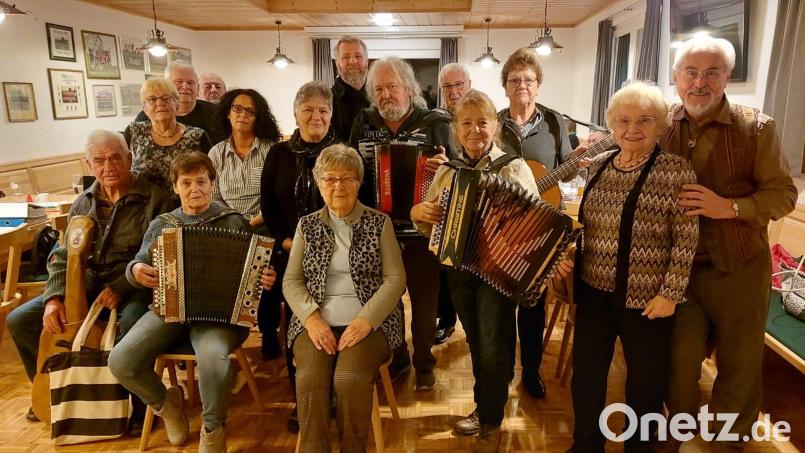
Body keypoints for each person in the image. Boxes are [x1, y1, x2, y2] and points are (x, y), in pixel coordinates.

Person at [661, 36, 797, 452]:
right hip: (679, 271)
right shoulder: (662, 123)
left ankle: (726, 443)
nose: (699, 83)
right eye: (691, 72)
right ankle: (678, 434)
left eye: (711, 73)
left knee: (739, 366)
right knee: (679, 362)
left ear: (727, 78)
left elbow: (783, 195)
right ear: (676, 77)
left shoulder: (757, 127)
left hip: (739, 265)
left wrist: (730, 208)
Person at [558, 82, 699, 453]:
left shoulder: (676, 171)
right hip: (594, 295)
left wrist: (670, 293)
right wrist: (572, 252)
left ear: (660, 126)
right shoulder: (600, 166)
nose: (632, 128)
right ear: (611, 124)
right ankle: (586, 444)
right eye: (623, 120)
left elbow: (686, 239)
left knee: (646, 385)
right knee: (587, 377)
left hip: (648, 301)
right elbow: (586, 226)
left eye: (644, 120)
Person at [108, 152, 277, 453]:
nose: (194, 189)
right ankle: (167, 405)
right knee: (120, 360)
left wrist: (265, 279)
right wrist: (135, 271)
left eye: (201, 181)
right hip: (171, 311)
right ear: (175, 187)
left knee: (212, 360)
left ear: (213, 183)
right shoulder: (163, 225)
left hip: (222, 317)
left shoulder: (234, 222)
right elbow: (136, 265)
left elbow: (258, 272)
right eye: (186, 182)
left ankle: (212, 430)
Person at [6, 130, 173, 430]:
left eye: (114, 158)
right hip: (84, 286)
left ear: (129, 159)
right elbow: (61, 255)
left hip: (134, 288)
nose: (108, 166)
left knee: (131, 326)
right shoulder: (82, 202)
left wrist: (121, 288)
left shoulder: (156, 200)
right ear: (88, 164)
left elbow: (158, 255)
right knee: (20, 320)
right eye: (99, 160)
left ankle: (133, 406)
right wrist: (53, 299)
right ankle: (55, 393)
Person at [411, 90, 538, 452]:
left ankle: (492, 420)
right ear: (455, 130)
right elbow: (428, 220)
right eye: (466, 123)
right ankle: (486, 406)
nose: (475, 130)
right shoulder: (449, 172)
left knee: (494, 344)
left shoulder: (514, 168)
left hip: (499, 272)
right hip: (460, 269)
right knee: (477, 341)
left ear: (495, 126)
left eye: (482, 122)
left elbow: (534, 224)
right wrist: (419, 213)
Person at [284, 144, 405, 453]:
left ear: (359, 182)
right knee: (310, 381)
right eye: (330, 178)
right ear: (319, 183)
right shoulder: (306, 226)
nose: (338, 185)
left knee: (349, 380)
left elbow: (395, 280)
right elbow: (291, 280)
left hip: (369, 323)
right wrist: (311, 319)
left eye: (347, 178)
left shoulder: (380, 223)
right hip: (315, 323)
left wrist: (366, 320)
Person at [349, 57, 453, 390]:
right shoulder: (362, 122)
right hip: (378, 232)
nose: (385, 95)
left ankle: (424, 362)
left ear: (408, 88)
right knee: (387, 303)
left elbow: (458, 170)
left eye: (392, 86)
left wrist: (446, 167)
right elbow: (351, 170)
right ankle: (398, 358)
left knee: (425, 303)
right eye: (378, 89)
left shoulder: (435, 122)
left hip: (423, 232)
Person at [260, 81, 339, 432]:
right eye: (308, 109)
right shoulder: (278, 155)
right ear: (295, 114)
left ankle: (334, 392)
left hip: (337, 255)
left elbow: (355, 202)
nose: (316, 116)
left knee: (334, 320)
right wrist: (287, 241)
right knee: (297, 326)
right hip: (290, 253)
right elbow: (268, 205)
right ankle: (303, 397)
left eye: (323, 110)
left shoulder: (341, 152)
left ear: (331, 114)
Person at [498, 48, 574, 400]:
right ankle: (497, 374)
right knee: (498, 308)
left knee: (532, 305)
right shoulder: (493, 123)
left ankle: (530, 371)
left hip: (539, 229)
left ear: (539, 85)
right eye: (515, 80)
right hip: (499, 228)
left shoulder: (556, 123)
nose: (522, 86)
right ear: (506, 86)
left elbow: (566, 167)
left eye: (528, 80)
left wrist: (581, 161)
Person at [433, 62, 473, 345]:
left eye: (459, 84)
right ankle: (446, 320)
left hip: (477, 200)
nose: (454, 91)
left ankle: (473, 326)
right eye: (448, 86)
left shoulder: (479, 115)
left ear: (468, 85)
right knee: (444, 265)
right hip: (445, 197)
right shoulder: (435, 120)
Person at [125, 78, 213, 194]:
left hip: (186, 206)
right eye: (152, 99)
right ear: (145, 109)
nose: (160, 103)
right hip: (144, 207)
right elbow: (122, 170)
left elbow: (211, 176)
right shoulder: (134, 132)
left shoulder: (197, 136)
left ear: (176, 105)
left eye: (166, 98)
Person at [209, 88, 281, 229]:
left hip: (266, 224)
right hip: (226, 225)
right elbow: (214, 199)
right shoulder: (216, 153)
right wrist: (233, 222)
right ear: (228, 113)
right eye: (237, 109)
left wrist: (252, 224)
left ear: (257, 119)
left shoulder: (271, 150)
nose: (243, 114)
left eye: (250, 111)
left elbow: (276, 196)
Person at [134, 62, 225, 144]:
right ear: (166, 86)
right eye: (179, 82)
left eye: (190, 82)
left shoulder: (215, 113)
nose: (185, 87)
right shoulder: (146, 117)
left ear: (197, 88)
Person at [331, 36, 370, 142]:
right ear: (337, 63)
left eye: (358, 56)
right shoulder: (327, 100)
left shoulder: (380, 96)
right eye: (346, 57)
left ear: (366, 61)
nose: (353, 61)